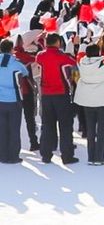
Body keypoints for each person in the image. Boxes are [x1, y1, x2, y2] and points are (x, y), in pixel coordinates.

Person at [35, 33, 79, 165]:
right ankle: (67, 155)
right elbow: (74, 63)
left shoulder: (40, 56)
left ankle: (46, 154)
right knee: (65, 126)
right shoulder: (62, 56)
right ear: (58, 42)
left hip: (46, 94)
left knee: (47, 125)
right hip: (61, 94)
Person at [74, 42, 104, 165]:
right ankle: (99, 157)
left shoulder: (81, 63)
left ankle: (90, 157)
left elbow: (79, 53)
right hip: (103, 100)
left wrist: (83, 43)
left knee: (90, 130)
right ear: (98, 53)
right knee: (101, 130)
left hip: (87, 100)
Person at [0, 39, 31, 164]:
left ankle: (2, 154)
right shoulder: (16, 64)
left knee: (2, 128)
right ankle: (13, 156)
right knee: (14, 128)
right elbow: (25, 73)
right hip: (14, 100)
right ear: (12, 49)